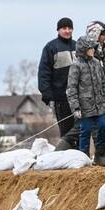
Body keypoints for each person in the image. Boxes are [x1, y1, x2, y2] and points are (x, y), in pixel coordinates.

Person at [65, 36, 105, 166]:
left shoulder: (97, 63)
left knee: (103, 127)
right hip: (84, 108)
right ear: (83, 49)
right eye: (90, 48)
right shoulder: (76, 66)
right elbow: (71, 88)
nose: (93, 50)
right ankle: (83, 158)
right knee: (85, 131)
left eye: (93, 48)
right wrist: (76, 108)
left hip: (100, 105)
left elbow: (103, 84)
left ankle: (101, 156)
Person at [37, 18, 78, 149]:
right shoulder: (51, 48)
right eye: (64, 28)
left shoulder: (77, 46)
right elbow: (44, 73)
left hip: (78, 97)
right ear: (58, 30)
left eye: (69, 28)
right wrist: (48, 96)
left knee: (82, 131)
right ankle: (66, 157)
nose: (67, 31)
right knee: (66, 131)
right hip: (61, 98)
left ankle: (82, 157)